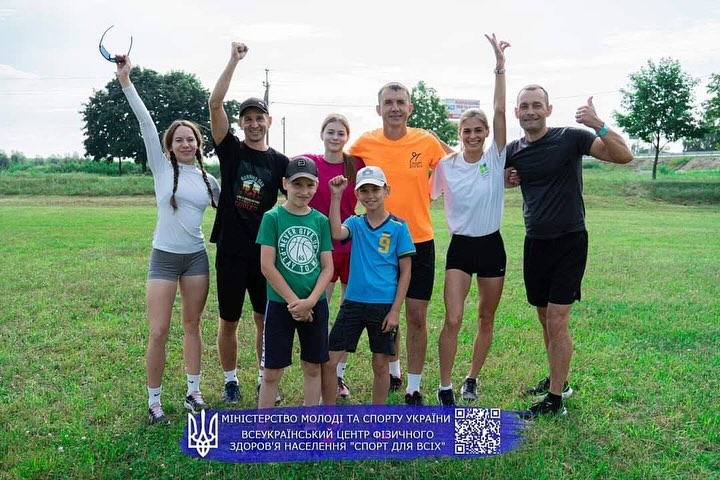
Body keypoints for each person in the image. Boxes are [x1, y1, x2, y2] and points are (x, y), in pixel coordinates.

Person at [507, 85, 633, 419]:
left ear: (548, 110)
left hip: (569, 241)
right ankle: (558, 379)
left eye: (537, 105)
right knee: (544, 318)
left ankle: (555, 401)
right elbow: (479, 170)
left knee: (557, 320)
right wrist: (505, 178)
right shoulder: (513, 150)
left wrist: (598, 124)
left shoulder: (571, 138)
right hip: (535, 241)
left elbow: (624, 156)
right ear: (516, 112)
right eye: (524, 106)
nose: (530, 111)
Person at [115, 55, 220, 424]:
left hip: (196, 259)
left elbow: (235, 215)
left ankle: (193, 392)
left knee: (192, 326)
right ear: (170, 146)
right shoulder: (161, 168)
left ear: (198, 143)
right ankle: (154, 401)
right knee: (158, 330)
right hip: (164, 257)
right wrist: (126, 81)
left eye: (190, 139)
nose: (185, 143)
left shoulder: (209, 181)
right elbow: (145, 122)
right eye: (179, 140)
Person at [350, 82, 447, 405]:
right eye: (388, 102)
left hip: (419, 240)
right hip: (378, 243)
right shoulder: (364, 143)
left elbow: (461, 164)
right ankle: (394, 371)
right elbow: (337, 165)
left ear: (410, 108)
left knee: (416, 316)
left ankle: (414, 387)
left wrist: (504, 173)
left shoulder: (426, 141)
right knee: (384, 312)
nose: (394, 108)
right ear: (378, 108)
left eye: (400, 102)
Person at [432, 34, 511, 406]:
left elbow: (499, 110)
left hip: (491, 245)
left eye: (479, 130)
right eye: (467, 131)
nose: (474, 135)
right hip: (460, 248)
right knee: (453, 318)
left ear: (487, 134)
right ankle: (444, 385)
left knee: (485, 318)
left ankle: (471, 379)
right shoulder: (445, 166)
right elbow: (422, 193)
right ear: (459, 134)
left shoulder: (496, 158)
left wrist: (499, 68)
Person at [208, 42, 288, 404]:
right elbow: (215, 104)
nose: (254, 123)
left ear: (269, 121)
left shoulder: (281, 162)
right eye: (248, 118)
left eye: (260, 118)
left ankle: (262, 378)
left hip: (263, 254)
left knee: (263, 319)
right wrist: (233, 61)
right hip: (230, 249)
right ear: (240, 123)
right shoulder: (231, 150)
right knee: (229, 321)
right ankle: (230, 380)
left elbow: (301, 195)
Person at [322, 167, 415, 405]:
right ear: (357, 194)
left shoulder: (398, 227)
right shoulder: (355, 223)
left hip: (383, 306)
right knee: (330, 361)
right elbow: (336, 232)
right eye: (364, 190)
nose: (370, 195)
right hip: (353, 302)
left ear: (386, 191)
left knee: (380, 364)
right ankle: (327, 415)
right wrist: (335, 196)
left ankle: (377, 416)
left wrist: (395, 311)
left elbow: (406, 272)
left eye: (375, 189)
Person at [256, 156, 334, 408]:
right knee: (271, 372)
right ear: (285, 184)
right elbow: (267, 265)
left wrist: (310, 301)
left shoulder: (320, 221)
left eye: (309, 185)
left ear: (316, 186)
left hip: (315, 305)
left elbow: (327, 268)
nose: (304, 191)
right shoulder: (273, 217)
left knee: (312, 367)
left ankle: (310, 424)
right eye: (297, 184)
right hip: (281, 304)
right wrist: (294, 303)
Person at [297, 114, 364, 399]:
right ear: (322, 134)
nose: (335, 137)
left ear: (347, 137)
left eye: (340, 133)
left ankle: (338, 375)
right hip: (321, 248)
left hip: (351, 246)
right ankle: (319, 366)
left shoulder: (356, 165)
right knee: (320, 310)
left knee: (347, 314)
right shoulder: (310, 162)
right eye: (331, 132)